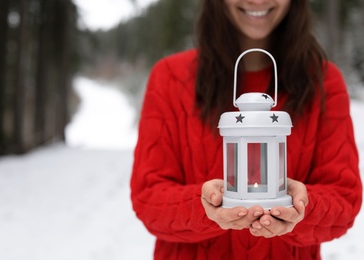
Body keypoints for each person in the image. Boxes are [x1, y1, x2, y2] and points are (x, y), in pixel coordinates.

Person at [130, 0, 362, 259]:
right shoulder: (170, 78)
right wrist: (205, 205)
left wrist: (302, 206)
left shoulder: (323, 82)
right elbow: (148, 198)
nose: (258, 0)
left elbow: (345, 198)